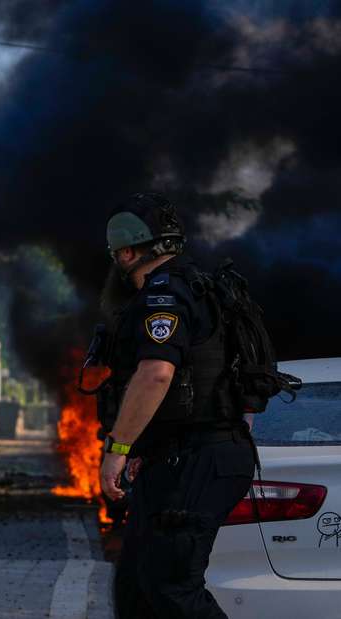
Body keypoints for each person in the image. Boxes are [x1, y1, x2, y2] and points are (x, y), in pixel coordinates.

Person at [97, 193, 257, 618]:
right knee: (137, 587)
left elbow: (156, 374)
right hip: (175, 457)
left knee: (172, 587)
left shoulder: (164, 295)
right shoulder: (202, 289)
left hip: (197, 458)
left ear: (128, 251)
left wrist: (118, 449)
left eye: (118, 252)